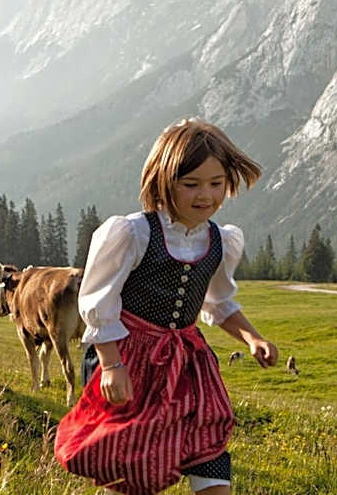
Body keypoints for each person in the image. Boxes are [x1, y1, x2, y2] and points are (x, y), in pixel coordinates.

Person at [54, 119, 279, 495]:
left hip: (187, 362)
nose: (205, 195)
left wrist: (252, 338)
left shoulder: (219, 241)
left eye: (216, 183)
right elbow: (99, 301)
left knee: (206, 440)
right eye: (191, 184)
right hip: (127, 357)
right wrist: (111, 365)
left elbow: (219, 302)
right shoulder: (134, 233)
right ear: (164, 181)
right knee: (129, 457)